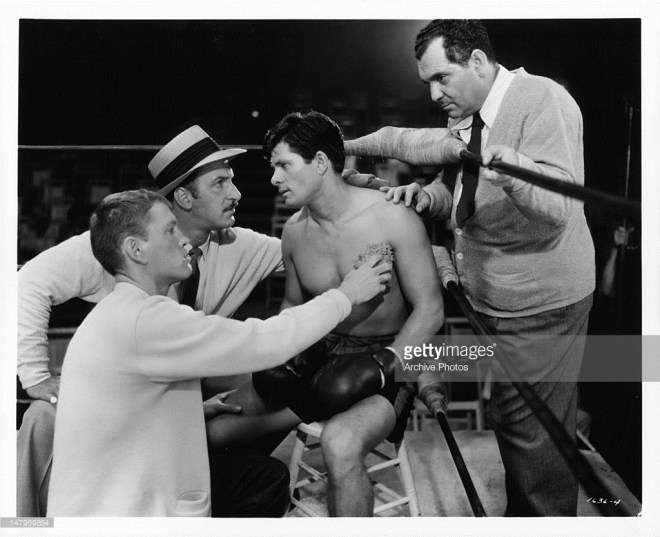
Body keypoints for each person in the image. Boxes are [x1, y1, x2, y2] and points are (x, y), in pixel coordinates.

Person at [46, 188, 390, 516]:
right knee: (265, 479)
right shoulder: (146, 320)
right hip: (120, 513)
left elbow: (123, 406)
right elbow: (264, 342)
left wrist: (183, 408)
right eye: (170, 231)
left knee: (263, 474)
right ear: (136, 249)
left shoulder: (119, 311)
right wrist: (346, 296)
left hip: (101, 502)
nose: (184, 239)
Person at [382, 20, 595, 516]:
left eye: (442, 78)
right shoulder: (469, 114)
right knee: (524, 422)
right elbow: (457, 188)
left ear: (477, 61)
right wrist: (427, 196)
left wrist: (516, 173)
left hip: (540, 301)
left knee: (530, 429)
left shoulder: (544, 100)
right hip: (494, 298)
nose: (434, 94)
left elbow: (559, 206)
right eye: (428, 83)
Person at [18, 125, 285, 517]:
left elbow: (306, 249)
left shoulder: (237, 244)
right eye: (220, 183)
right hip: (117, 411)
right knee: (42, 418)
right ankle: (25, 525)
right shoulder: (123, 242)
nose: (236, 193)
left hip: (173, 406)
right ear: (184, 197)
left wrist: (341, 192)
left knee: (263, 462)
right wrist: (35, 376)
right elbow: (28, 281)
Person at [206, 111, 444, 517]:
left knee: (339, 443)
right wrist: (285, 353)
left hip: (389, 362)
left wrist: (387, 364)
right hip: (319, 360)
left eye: (284, 165)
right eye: (273, 168)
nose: (274, 179)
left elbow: (431, 309)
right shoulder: (294, 232)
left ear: (319, 162)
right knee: (212, 432)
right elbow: (292, 306)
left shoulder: (392, 216)